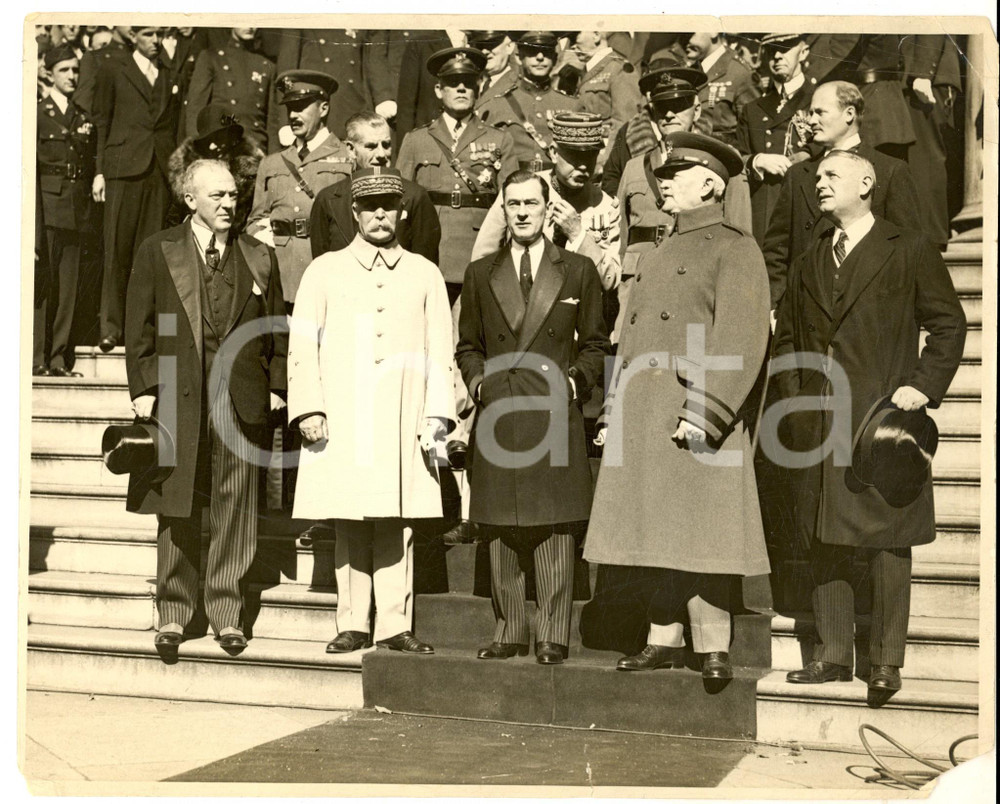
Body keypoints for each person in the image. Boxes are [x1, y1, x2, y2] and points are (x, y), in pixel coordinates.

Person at [772, 150, 966, 693]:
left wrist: (922, 386)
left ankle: (885, 661)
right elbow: (787, 338)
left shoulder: (909, 248)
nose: (819, 183)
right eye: (816, 177)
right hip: (819, 422)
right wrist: (796, 398)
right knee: (823, 535)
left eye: (831, 175)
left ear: (866, 183)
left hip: (884, 422)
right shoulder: (810, 258)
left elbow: (949, 324)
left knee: (889, 540)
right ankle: (833, 655)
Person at [583, 132, 771, 680]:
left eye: (676, 175)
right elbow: (631, 338)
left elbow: (741, 336)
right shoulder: (659, 250)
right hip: (647, 405)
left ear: (710, 185)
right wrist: (615, 407)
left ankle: (713, 644)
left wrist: (704, 410)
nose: (662, 182)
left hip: (696, 406)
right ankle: (662, 637)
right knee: (658, 529)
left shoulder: (735, 247)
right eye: (662, 175)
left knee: (700, 531)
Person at [287, 167, 455, 655]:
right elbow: (303, 346)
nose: (380, 214)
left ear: (402, 212)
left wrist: (437, 413)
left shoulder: (424, 273)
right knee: (349, 518)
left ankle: (394, 624)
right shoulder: (324, 270)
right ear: (355, 212)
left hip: (404, 413)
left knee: (396, 520)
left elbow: (440, 349)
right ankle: (353, 621)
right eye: (370, 207)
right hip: (344, 414)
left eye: (389, 206)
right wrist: (309, 408)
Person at [124, 160, 288, 658]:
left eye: (233, 195)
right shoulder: (159, 249)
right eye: (217, 195)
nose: (228, 204)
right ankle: (174, 612)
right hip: (178, 392)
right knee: (177, 503)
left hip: (241, 394)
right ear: (190, 199)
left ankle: (226, 613)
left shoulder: (258, 254)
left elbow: (276, 328)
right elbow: (140, 325)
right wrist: (144, 386)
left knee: (235, 505)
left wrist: (277, 385)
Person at [456, 169, 611, 665]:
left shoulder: (578, 269)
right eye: (513, 204)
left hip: (553, 406)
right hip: (500, 407)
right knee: (500, 523)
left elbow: (595, 343)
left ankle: (552, 633)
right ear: (503, 210)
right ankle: (509, 630)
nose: (522, 212)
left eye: (531, 203)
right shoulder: (480, 273)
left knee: (556, 523)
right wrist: (480, 384)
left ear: (548, 210)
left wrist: (574, 383)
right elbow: (468, 346)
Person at [612, 65, 753, 340]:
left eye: (679, 106)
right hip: (637, 286)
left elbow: (740, 236)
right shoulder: (633, 167)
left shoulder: (722, 162)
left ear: (697, 110)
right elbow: (620, 240)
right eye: (662, 107)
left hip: (694, 283)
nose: (669, 114)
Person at [762, 81, 920, 310]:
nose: (811, 121)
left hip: (867, 313)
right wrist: (775, 308)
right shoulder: (798, 175)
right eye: (810, 113)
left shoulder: (890, 170)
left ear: (849, 114)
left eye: (820, 112)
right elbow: (776, 251)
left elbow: (908, 252)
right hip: (805, 312)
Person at [396, 46, 518, 301]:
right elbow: (400, 203)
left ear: (479, 88)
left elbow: (512, 201)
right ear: (438, 90)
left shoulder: (500, 139)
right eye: (453, 82)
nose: (461, 88)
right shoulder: (416, 140)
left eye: (469, 82)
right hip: (430, 249)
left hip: (479, 250)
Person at [92, 26, 182, 352]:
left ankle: (142, 330)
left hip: (157, 171)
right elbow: (102, 120)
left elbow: (173, 125)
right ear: (133, 36)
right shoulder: (114, 69)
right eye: (148, 34)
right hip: (122, 170)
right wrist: (99, 171)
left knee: (149, 254)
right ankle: (110, 328)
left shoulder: (168, 73)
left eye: (159, 34)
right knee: (116, 250)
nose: (155, 41)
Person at [471, 111, 621, 294]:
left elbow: (610, 280)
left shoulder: (604, 205)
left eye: (590, 156)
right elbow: (483, 258)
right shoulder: (521, 190)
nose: (583, 166)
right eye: (575, 156)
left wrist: (578, 234)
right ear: (554, 153)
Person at [247, 70, 353, 308]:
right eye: (290, 108)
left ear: (323, 108)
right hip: (280, 276)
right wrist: (263, 236)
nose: (293, 115)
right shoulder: (272, 163)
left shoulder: (348, 157)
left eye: (301, 107)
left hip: (329, 272)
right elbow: (255, 220)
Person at [34, 45, 100, 377]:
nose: (72, 76)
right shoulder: (37, 114)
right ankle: (36, 357)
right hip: (46, 210)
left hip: (76, 211)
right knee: (43, 287)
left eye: (75, 70)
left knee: (69, 288)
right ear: (48, 74)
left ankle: (59, 357)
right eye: (64, 70)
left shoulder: (83, 117)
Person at [309, 112, 441, 263]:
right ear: (351, 149)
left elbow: (425, 265)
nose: (381, 154)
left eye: (386, 145)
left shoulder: (414, 196)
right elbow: (321, 266)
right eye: (371, 146)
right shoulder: (328, 200)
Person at [737, 33, 817, 244]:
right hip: (766, 209)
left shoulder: (819, 99)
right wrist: (757, 161)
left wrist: (807, 154)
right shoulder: (752, 109)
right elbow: (738, 157)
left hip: (807, 204)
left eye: (785, 48)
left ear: (803, 52)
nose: (778, 56)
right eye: (772, 50)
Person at [476, 31, 584, 170]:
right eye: (532, 51)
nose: (540, 57)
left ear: (555, 58)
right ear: (519, 58)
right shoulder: (496, 105)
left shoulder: (572, 105)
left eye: (546, 52)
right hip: (514, 179)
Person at [275, 29, 396, 140]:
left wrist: (383, 96)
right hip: (314, 105)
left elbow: (376, 56)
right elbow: (287, 68)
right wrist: (286, 122)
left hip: (353, 102)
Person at [168, 103, 264, 234]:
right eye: (207, 141)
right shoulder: (187, 174)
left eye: (218, 138)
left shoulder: (253, 175)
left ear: (232, 137)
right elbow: (173, 221)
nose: (212, 146)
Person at [184, 27, 277, 153]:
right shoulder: (212, 58)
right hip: (221, 147)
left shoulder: (267, 66)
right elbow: (195, 110)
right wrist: (197, 152)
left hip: (256, 149)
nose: (249, 26)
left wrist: (273, 160)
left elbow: (272, 123)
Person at [683, 30, 760, 149]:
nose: (687, 40)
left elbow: (753, 133)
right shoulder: (689, 72)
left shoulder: (740, 73)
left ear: (713, 31)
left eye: (691, 33)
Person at [469, 31, 518, 107]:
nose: (484, 51)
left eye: (490, 44)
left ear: (509, 46)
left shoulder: (518, 84)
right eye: (480, 46)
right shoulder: (475, 86)